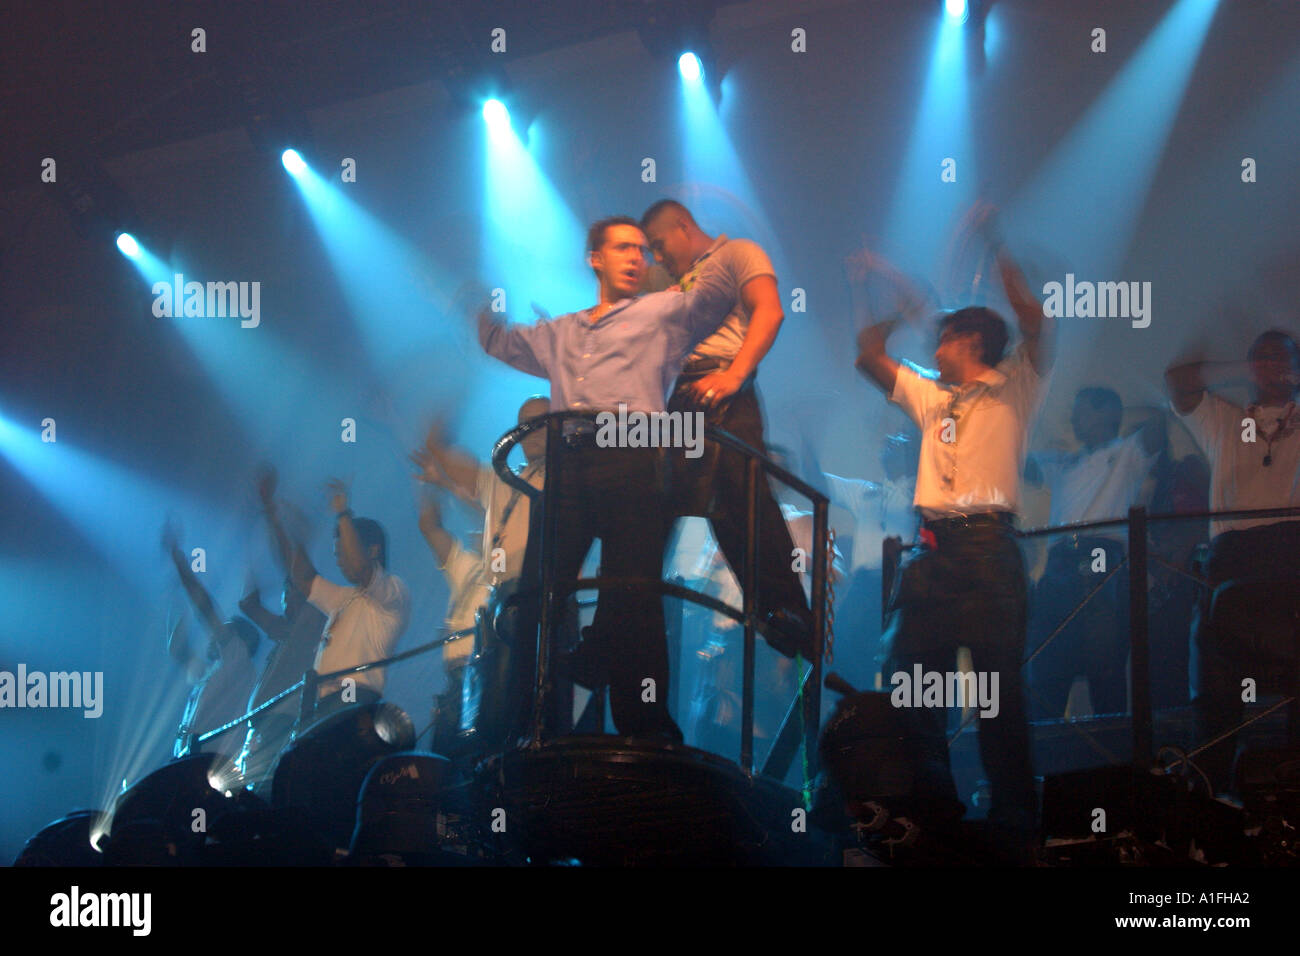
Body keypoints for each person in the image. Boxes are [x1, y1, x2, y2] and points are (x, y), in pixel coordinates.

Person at [475, 214, 743, 740]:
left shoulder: (663, 311)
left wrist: (704, 245)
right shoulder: (561, 331)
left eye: (642, 250)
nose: (635, 258)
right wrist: (476, 292)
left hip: (632, 456)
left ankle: (646, 728)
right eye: (623, 248)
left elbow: (719, 292)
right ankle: (524, 723)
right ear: (595, 258)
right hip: (572, 461)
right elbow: (497, 340)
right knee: (539, 591)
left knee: (634, 595)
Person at [851, 207, 1052, 859]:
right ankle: (927, 808)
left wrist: (995, 244)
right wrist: (880, 291)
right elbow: (868, 355)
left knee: (999, 694)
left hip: (990, 551)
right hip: (932, 557)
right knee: (913, 685)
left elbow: (1034, 320)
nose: (934, 350)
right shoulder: (931, 397)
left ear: (971, 343)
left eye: (944, 340)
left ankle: (1017, 816)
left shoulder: (1013, 386)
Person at [640, 200, 813, 657]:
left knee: (742, 493)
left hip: (722, 386)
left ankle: (784, 610)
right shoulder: (668, 282)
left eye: (659, 245)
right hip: (674, 397)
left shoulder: (737, 252)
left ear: (683, 226)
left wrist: (735, 375)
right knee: (653, 502)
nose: (657, 256)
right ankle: (625, 619)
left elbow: (770, 311)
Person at [1165, 329, 1300, 793]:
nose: (1272, 364)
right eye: (1261, 357)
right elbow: (1177, 380)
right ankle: (1209, 802)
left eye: (1282, 358)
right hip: (1232, 558)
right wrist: (1245, 368)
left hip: (1293, 554)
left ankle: (1288, 801)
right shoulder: (1224, 418)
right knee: (1218, 682)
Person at [1023, 388, 1165, 719]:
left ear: (1106, 415)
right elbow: (1019, 462)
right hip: (1060, 561)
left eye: (1082, 412)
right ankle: (1047, 753)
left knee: (1104, 662)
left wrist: (1124, 410)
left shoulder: (1128, 453)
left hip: (1102, 556)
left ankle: (1112, 757)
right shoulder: (1063, 461)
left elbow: (1160, 423)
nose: (1073, 419)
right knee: (1046, 662)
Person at [263, 471, 410, 718]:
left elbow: (359, 569)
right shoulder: (344, 597)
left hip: (355, 701)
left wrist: (343, 514)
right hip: (322, 703)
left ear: (372, 550)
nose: (340, 562)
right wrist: (274, 515)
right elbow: (301, 576)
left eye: (343, 552)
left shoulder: (394, 592)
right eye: (337, 555)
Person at [161, 519, 258, 758]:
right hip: (187, 757)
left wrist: (181, 564)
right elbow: (177, 649)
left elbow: (206, 609)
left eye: (224, 631)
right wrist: (176, 599)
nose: (214, 636)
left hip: (211, 760)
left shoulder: (238, 658)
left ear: (241, 639)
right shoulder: (212, 671)